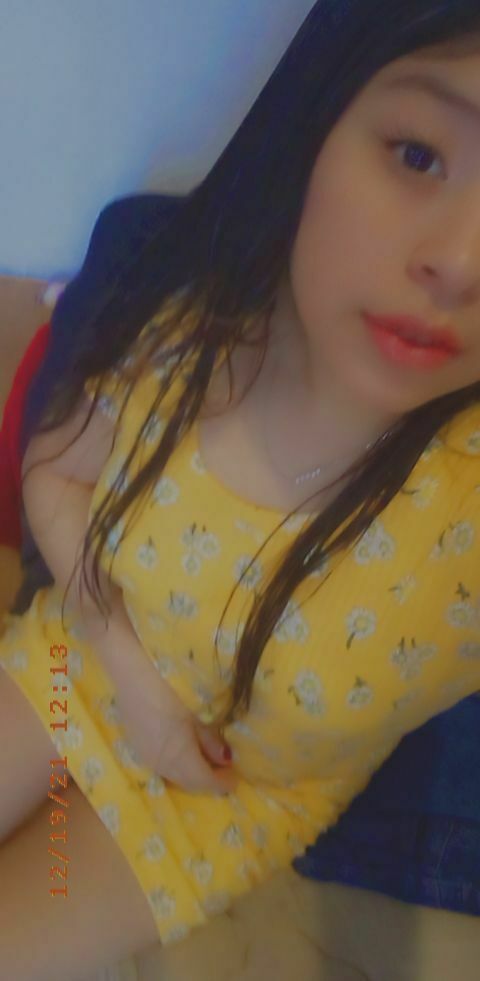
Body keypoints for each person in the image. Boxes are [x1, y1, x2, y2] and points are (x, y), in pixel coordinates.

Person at [1, 0, 480, 977]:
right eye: (418, 156)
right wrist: (131, 677)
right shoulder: (187, 336)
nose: (459, 262)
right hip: (77, 664)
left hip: (214, 806)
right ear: (318, 122)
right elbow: (55, 469)